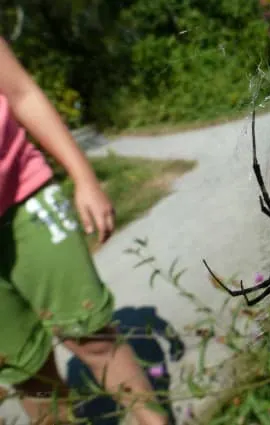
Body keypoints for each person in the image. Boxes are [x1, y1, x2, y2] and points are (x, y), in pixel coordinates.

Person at [0, 37, 169, 425]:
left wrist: (84, 177)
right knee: (28, 373)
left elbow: (22, 93)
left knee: (91, 336)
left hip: (26, 201)